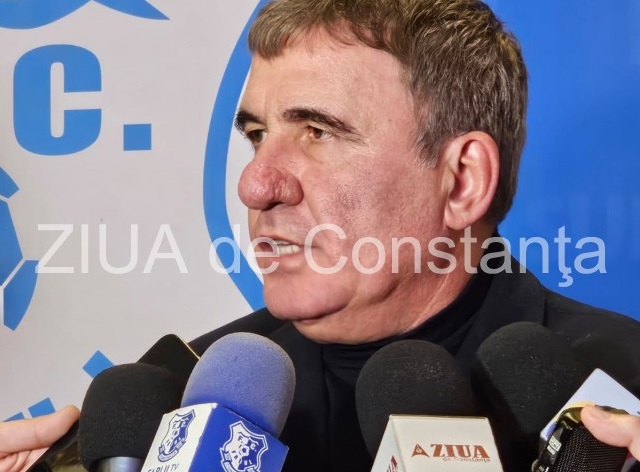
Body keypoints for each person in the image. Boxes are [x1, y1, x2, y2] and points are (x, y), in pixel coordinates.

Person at [3, 0, 640, 471]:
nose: (255, 184)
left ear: (462, 181)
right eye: (257, 135)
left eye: (319, 131)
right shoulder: (182, 402)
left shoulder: (623, 392)